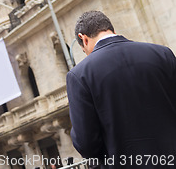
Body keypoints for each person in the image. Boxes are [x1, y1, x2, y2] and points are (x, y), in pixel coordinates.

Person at [66, 11, 176, 168]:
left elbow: (86, 144)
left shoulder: (79, 75)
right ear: (112, 30)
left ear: (83, 38)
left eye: (84, 50)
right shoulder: (162, 53)